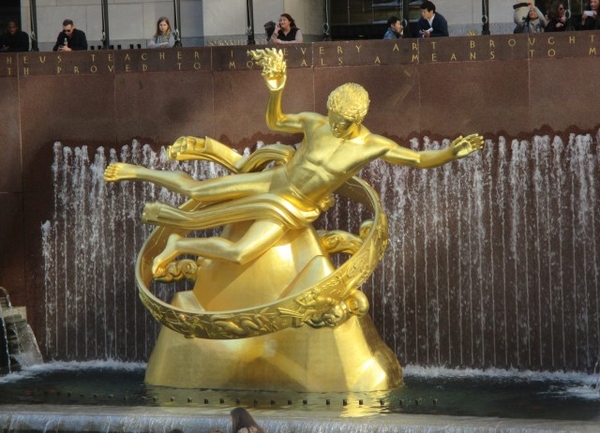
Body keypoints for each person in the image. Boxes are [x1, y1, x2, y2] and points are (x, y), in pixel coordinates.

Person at [104, 48, 483, 275]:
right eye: (332, 116)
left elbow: (417, 159)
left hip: (292, 208)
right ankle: (137, 172)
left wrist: (451, 153)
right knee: (198, 189)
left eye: (341, 122)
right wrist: (276, 89)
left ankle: (178, 245)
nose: (333, 124)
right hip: (275, 180)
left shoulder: (372, 145)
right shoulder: (317, 123)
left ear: (358, 119)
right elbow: (277, 121)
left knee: (238, 254)